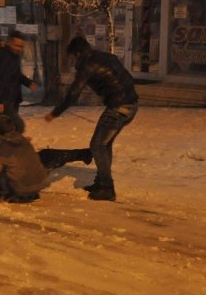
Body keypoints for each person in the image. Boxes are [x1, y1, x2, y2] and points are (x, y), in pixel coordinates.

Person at [45, 36, 138, 201]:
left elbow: (73, 94)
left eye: (73, 56)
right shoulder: (108, 57)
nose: (73, 60)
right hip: (131, 104)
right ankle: (102, 182)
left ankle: (107, 188)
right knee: (104, 144)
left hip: (118, 106)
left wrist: (55, 112)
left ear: (78, 53)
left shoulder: (87, 65)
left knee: (97, 145)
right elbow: (128, 78)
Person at [0, 30, 38, 158]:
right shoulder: (1, 56)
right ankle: (5, 153)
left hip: (12, 97)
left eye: (21, 46)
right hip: (3, 100)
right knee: (18, 126)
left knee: (1, 129)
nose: (19, 48)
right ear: (10, 43)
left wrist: (28, 83)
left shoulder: (13, 56)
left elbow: (16, 74)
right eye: (17, 45)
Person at [0, 115, 48, 203]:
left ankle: (9, 195)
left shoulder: (2, 147)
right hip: (39, 184)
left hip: (22, 190)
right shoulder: (23, 140)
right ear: (13, 127)